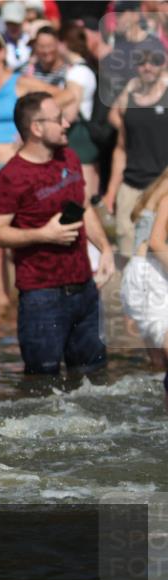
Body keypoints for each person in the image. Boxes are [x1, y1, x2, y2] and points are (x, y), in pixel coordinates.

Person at [0, 91, 115, 377]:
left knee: (95, 380)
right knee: (41, 387)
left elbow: (83, 206)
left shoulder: (68, 157)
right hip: (41, 297)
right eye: (58, 119)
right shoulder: (11, 177)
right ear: (37, 128)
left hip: (85, 289)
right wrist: (44, 234)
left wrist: (105, 248)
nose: (67, 123)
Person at [0, 29, 73, 308]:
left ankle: (29, 297)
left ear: (1, 52)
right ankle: (0, 307)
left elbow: (64, 97)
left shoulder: (20, 83)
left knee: (20, 234)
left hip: (12, 164)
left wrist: (30, 132)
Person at [106, 46, 168, 257]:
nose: (147, 67)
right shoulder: (127, 100)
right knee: (127, 253)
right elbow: (121, 149)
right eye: (142, 62)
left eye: (154, 61)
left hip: (162, 189)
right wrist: (111, 192)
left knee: (158, 252)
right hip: (130, 187)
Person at [119, 167, 168, 410]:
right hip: (152, 277)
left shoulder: (156, 191)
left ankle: (154, 412)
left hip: (140, 274)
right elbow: (156, 243)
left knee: (158, 362)